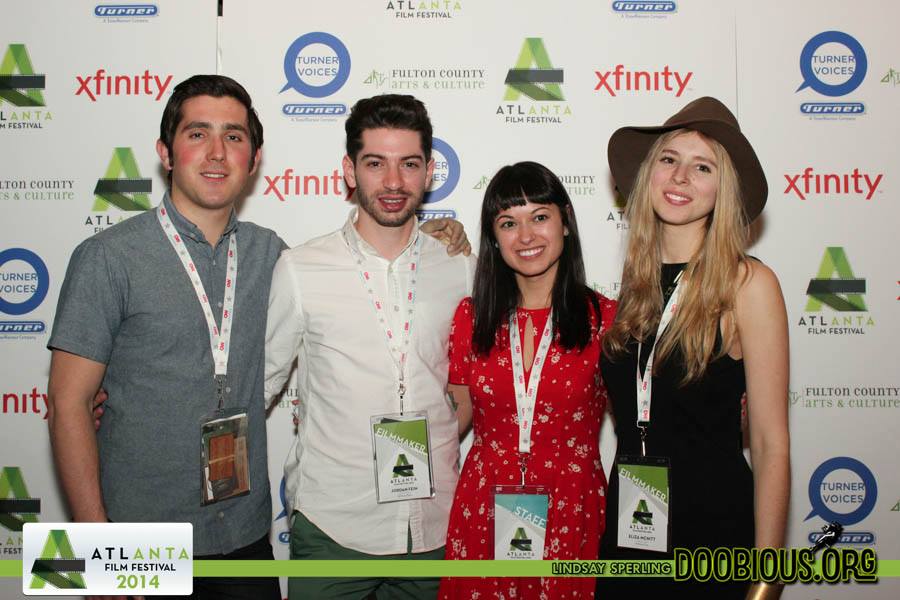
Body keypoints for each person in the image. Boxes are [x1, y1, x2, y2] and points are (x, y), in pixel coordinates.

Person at [47, 76, 468, 600]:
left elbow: (366, 265)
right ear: (165, 152)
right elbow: (68, 403)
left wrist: (433, 238)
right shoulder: (108, 257)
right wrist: (96, 550)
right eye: (198, 133)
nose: (218, 153)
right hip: (143, 533)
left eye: (235, 136)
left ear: (255, 156)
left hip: (243, 532)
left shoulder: (273, 255)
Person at [264, 94, 477, 600]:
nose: (393, 182)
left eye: (409, 164)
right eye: (375, 164)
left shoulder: (460, 266)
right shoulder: (301, 268)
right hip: (334, 525)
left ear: (429, 172)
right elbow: (260, 387)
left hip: (436, 525)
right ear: (349, 171)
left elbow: (474, 387)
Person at [598, 97, 790, 597]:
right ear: (649, 174)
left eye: (701, 166)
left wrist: (766, 585)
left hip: (710, 542)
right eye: (669, 159)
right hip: (629, 536)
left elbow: (770, 444)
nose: (680, 177)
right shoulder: (634, 285)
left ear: (722, 188)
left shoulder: (749, 284)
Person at [439, 162, 616, 600]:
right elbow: (456, 415)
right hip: (485, 504)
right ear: (494, 239)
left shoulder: (608, 320)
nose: (526, 236)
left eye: (540, 217)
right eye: (508, 223)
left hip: (572, 506)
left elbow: (643, 418)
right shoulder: (471, 317)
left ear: (566, 222)